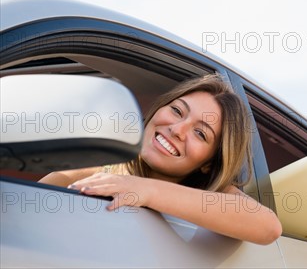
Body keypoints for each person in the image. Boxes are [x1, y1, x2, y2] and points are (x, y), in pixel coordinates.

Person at [39, 74, 282, 245]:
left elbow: (268, 227)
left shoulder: (215, 196)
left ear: (209, 162)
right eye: (177, 111)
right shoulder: (88, 174)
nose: (177, 129)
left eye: (200, 133)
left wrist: (147, 190)